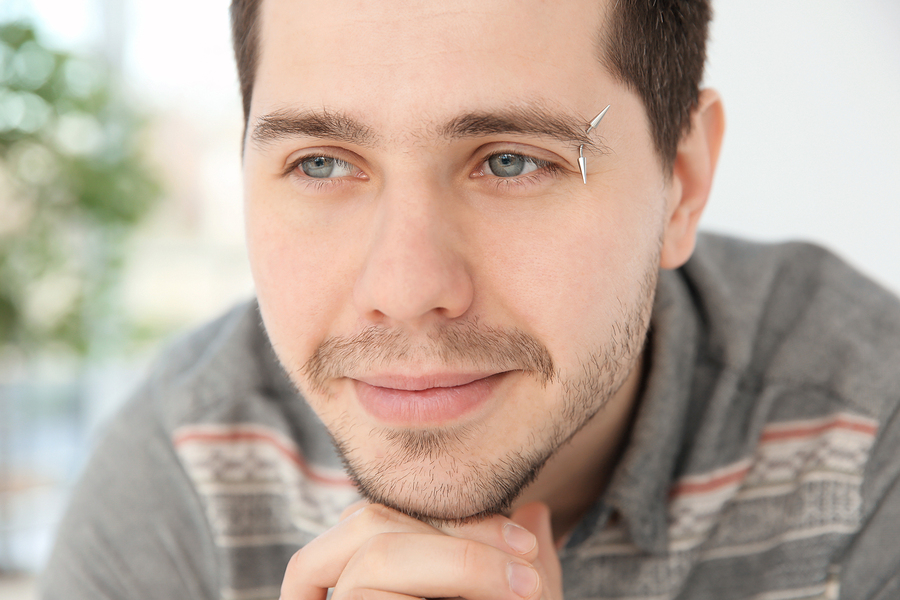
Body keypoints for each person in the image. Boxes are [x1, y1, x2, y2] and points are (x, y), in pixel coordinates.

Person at [41, 1, 900, 599]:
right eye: (322, 163)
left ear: (681, 183)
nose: (407, 290)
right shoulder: (183, 471)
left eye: (512, 160)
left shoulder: (868, 426)